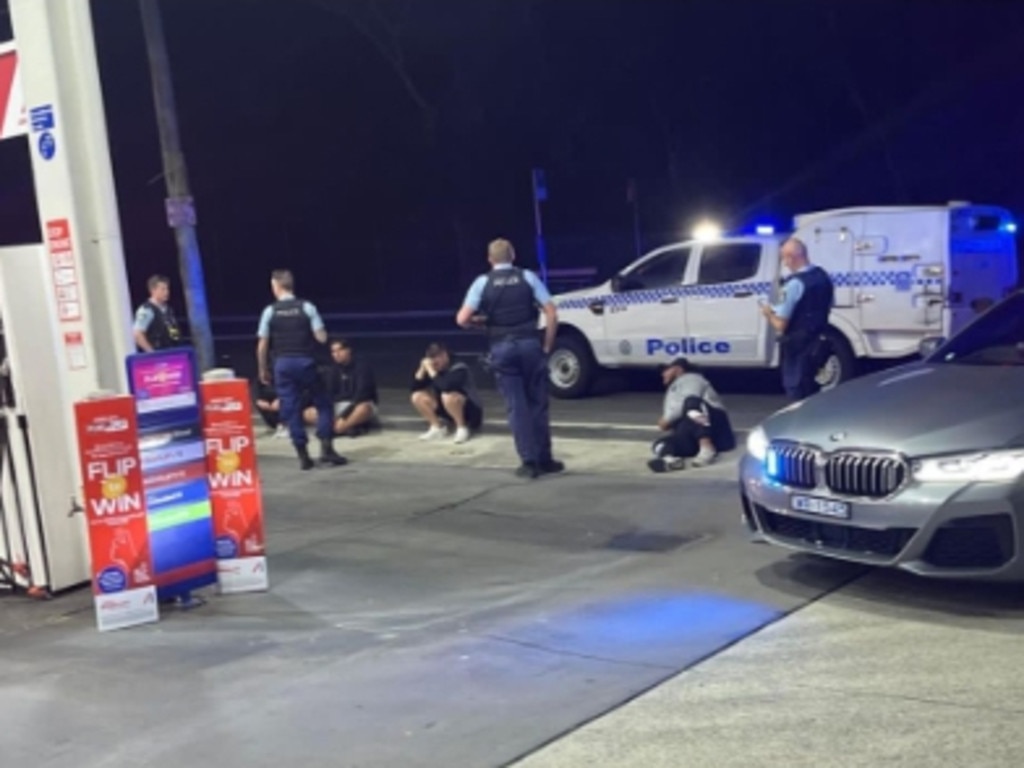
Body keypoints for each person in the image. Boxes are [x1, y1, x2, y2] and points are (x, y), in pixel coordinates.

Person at [456, 238, 563, 478]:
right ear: (513, 256)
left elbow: (462, 319)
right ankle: (545, 459)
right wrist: (547, 344)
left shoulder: (482, 282)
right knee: (538, 404)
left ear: (490, 259)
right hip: (530, 345)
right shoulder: (528, 277)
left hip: (502, 348)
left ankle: (529, 462)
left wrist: (480, 324)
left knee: (516, 407)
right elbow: (551, 312)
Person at [256, 269, 347, 470]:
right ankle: (326, 447)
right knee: (323, 403)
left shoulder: (270, 311)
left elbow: (262, 344)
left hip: (282, 365)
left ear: (276, 286)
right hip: (305, 362)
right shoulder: (307, 307)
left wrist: (262, 368)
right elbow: (321, 337)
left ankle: (303, 455)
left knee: (291, 409)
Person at [761, 237, 835, 401]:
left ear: (791, 257)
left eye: (784, 258)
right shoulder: (822, 276)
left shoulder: (794, 284)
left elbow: (781, 324)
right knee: (813, 392)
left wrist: (767, 313)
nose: (785, 264)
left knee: (797, 393)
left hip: (798, 348)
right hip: (819, 344)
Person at [648, 358, 736, 473]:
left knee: (692, 402)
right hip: (692, 435)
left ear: (678, 369)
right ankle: (670, 460)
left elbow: (688, 400)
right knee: (660, 444)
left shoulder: (691, 378)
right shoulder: (673, 389)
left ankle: (707, 448)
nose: (662, 374)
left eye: (665, 369)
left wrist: (666, 419)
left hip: (716, 431)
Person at [410, 342, 484, 444]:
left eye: (437, 358)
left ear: (444, 355)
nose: (434, 362)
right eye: (431, 359)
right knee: (417, 396)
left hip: (469, 411)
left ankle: (462, 428)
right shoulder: (434, 367)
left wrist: (431, 371)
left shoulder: (459, 367)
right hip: (446, 410)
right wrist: (422, 370)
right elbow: (415, 388)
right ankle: (436, 427)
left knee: (447, 395)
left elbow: (446, 386)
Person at [311, 338, 380, 437]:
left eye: (340, 350)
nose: (336, 354)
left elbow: (362, 394)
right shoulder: (331, 369)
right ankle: (350, 428)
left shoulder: (362, 366)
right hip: (338, 405)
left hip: (356, 405)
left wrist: (344, 415)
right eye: (333, 351)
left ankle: (336, 429)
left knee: (364, 408)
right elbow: (329, 393)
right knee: (308, 412)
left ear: (348, 350)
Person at [133, 274, 182, 352]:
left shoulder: (168, 309)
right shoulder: (146, 310)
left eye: (167, 289)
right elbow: (138, 334)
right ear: (153, 290)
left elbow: (172, 329)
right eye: (163, 289)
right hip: (157, 354)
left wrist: (176, 343)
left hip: (171, 352)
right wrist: (151, 352)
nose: (167, 292)